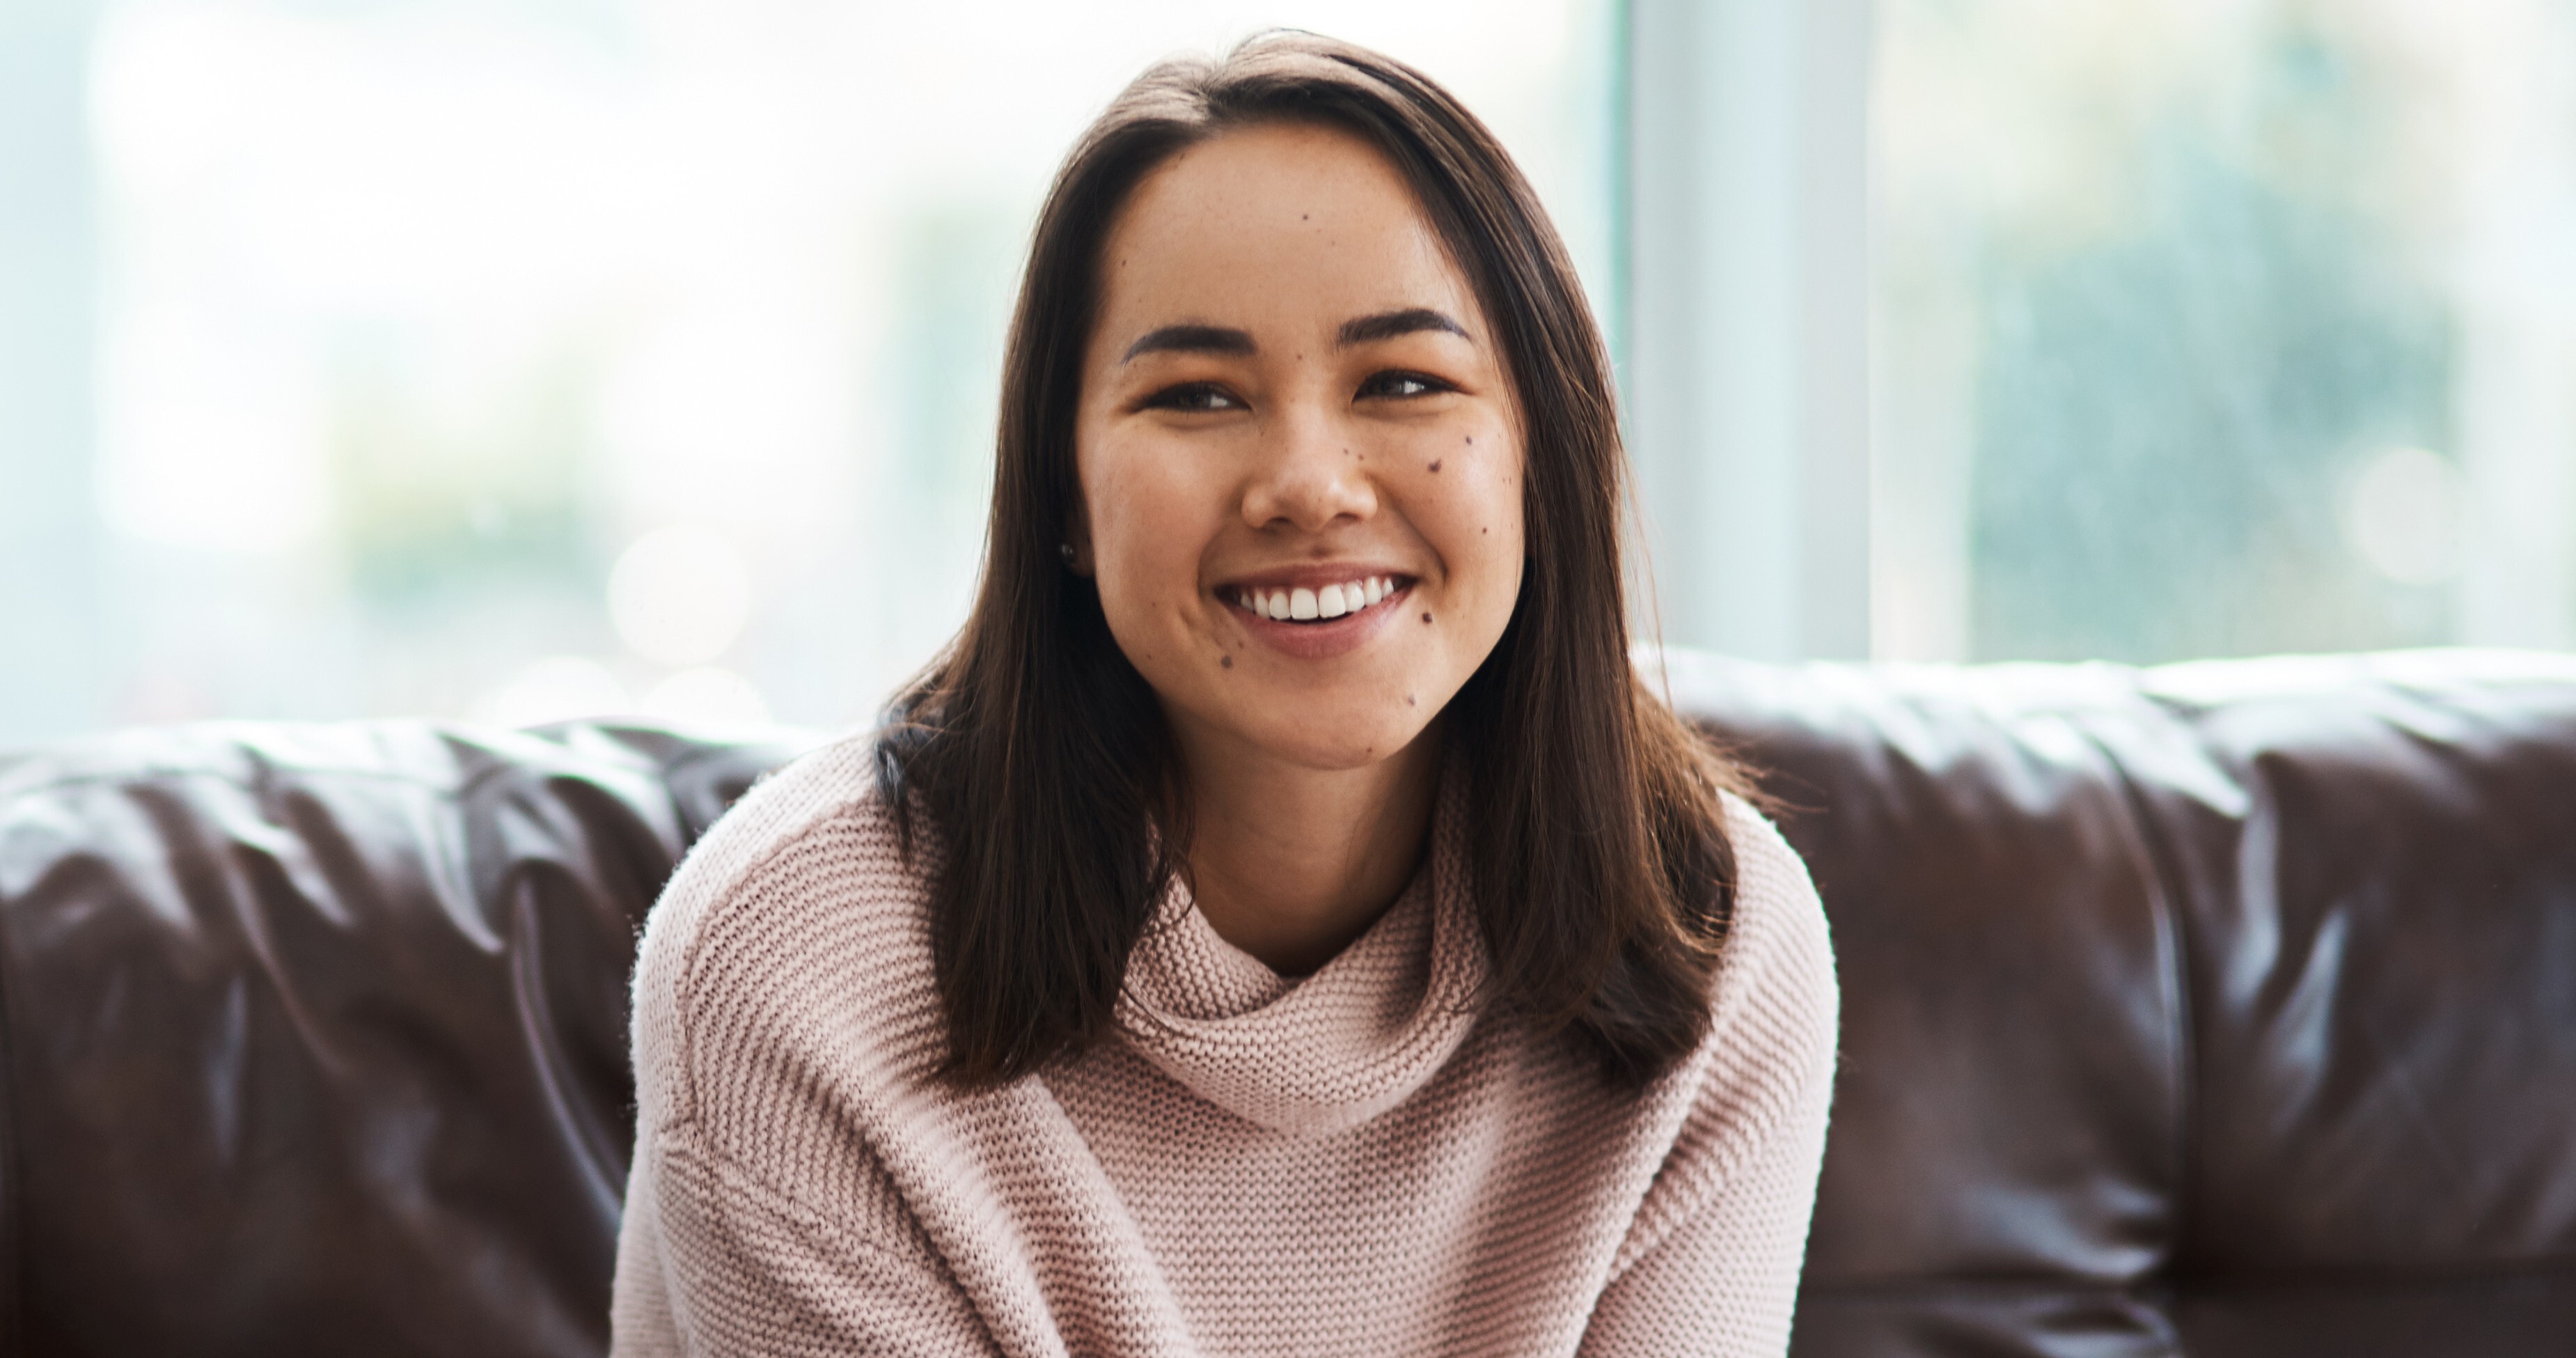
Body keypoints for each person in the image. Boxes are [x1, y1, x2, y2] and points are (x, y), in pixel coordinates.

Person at [610, 31, 1837, 1357]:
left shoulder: (1716, 931)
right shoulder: (791, 967)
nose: (1309, 482)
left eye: (1406, 383)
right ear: (1062, 499)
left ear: (1541, 456)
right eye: (1197, 395)